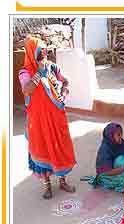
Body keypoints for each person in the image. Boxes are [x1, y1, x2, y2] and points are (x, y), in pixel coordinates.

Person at [18, 36, 76, 199]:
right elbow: (27, 90)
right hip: (38, 121)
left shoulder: (52, 67)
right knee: (43, 148)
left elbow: (66, 81)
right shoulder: (24, 72)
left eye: (44, 50)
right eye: (39, 51)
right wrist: (39, 74)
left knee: (59, 146)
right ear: (31, 53)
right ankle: (47, 186)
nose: (43, 54)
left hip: (56, 117)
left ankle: (63, 181)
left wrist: (63, 95)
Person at [92, 123, 124, 193]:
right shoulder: (104, 150)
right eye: (118, 135)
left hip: (118, 167)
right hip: (107, 174)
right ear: (110, 136)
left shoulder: (120, 143)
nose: (121, 137)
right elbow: (106, 171)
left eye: (121, 134)